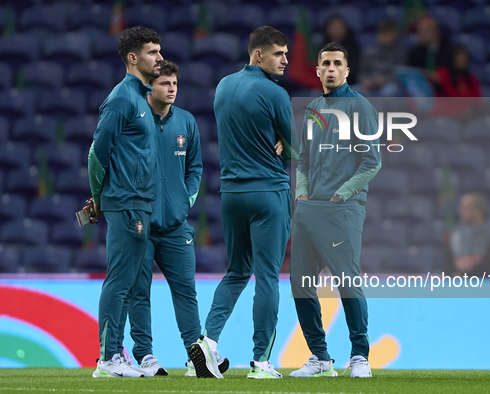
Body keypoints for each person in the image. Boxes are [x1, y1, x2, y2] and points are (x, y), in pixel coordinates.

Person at [189, 26, 293, 380]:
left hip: (232, 194)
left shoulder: (223, 86)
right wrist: (283, 139)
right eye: (279, 54)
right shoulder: (274, 93)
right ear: (258, 54)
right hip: (269, 193)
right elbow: (297, 149)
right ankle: (262, 363)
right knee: (267, 278)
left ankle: (206, 345)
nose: (286, 60)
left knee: (235, 272)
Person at [118, 60, 228, 377]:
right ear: (150, 87)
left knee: (185, 291)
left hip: (176, 226)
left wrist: (184, 201)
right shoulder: (134, 120)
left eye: (175, 84)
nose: (172, 89)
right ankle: (146, 356)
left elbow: (195, 168)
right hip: (140, 224)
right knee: (139, 292)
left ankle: (195, 356)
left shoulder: (187, 122)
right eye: (165, 84)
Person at [290, 42, 382, 379]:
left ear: (346, 70)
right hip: (308, 209)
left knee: (347, 281)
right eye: (325, 63)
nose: (330, 68)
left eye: (336, 63)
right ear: (317, 70)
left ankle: (360, 355)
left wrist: (341, 195)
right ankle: (320, 357)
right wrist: (301, 194)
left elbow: (372, 162)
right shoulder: (313, 109)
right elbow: (304, 162)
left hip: (342, 210)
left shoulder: (361, 108)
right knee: (300, 283)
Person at [88, 26, 162, 378]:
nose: (160, 58)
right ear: (133, 58)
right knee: (119, 281)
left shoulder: (141, 99)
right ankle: (107, 358)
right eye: (152, 52)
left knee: (130, 283)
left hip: (139, 202)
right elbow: (96, 153)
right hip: (125, 202)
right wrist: (100, 198)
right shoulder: (122, 98)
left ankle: (116, 355)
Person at [443, 192, 490, 276]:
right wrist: (455, 274)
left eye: (465, 208)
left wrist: (465, 275)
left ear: (478, 211)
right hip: (458, 285)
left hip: (486, 285)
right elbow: (447, 264)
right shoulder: (454, 234)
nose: (460, 211)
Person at [359, 19, 406, 96]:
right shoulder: (369, 51)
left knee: (388, 92)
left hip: (390, 83)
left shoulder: (400, 52)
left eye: (387, 33)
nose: (384, 36)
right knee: (353, 91)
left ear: (394, 34)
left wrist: (385, 80)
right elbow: (363, 71)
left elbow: (400, 74)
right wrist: (366, 80)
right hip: (371, 82)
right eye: (382, 33)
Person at [407, 16, 454, 93]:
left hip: (444, 92)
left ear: (434, 32)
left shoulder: (448, 50)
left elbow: (454, 73)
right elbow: (410, 72)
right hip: (421, 91)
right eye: (418, 31)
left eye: (422, 31)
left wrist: (440, 76)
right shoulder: (416, 52)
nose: (419, 35)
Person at [322, 15, 360, 85]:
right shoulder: (322, 47)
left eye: (339, 28)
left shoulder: (353, 47)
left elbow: (354, 68)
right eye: (333, 28)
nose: (336, 31)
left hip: (349, 82)